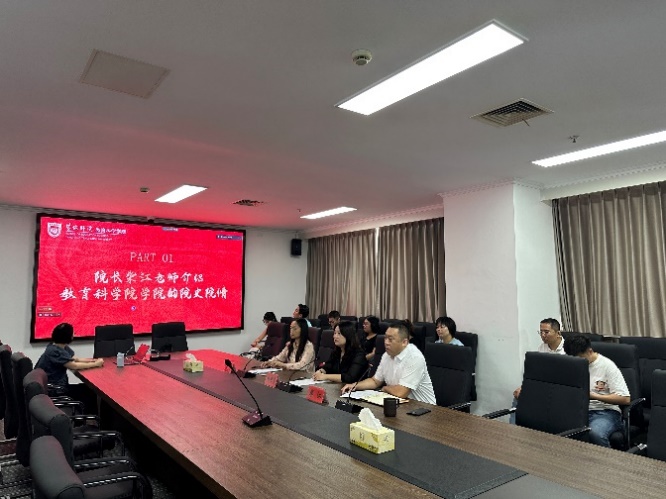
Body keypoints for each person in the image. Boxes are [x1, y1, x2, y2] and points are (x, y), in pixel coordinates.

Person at [341, 322, 435, 404]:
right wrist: (355, 386)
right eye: (385, 338)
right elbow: (375, 381)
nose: (386, 342)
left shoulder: (414, 358)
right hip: (400, 404)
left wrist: (385, 388)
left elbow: (401, 392)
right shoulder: (386, 356)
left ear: (404, 342)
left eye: (390, 339)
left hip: (424, 409)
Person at [563, 334, 630, 447]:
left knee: (595, 433)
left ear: (590, 351)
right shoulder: (572, 364)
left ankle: (606, 459)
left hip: (605, 412)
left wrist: (593, 396)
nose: (579, 363)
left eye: (581, 359)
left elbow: (625, 399)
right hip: (580, 411)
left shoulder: (607, 366)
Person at [35, 322, 104, 412]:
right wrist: (96, 364)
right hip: (55, 390)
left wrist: (92, 360)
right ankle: (89, 417)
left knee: (88, 389)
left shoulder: (57, 346)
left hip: (57, 386)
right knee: (89, 392)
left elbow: (75, 359)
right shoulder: (55, 351)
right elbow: (74, 365)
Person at [510, 318, 565, 423]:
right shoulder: (542, 348)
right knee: (519, 395)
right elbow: (538, 372)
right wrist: (525, 387)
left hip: (560, 388)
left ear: (558, 333)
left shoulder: (568, 349)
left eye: (546, 332)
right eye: (541, 332)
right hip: (545, 385)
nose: (543, 335)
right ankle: (513, 429)